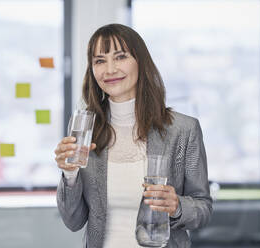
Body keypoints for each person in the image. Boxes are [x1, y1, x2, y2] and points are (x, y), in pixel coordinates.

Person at [54, 23, 212, 248]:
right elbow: (73, 221)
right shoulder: (85, 130)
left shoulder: (183, 130)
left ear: (141, 62)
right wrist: (69, 174)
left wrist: (176, 205)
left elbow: (203, 209)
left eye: (120, 57)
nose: (109, 70)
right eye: (99, 61)